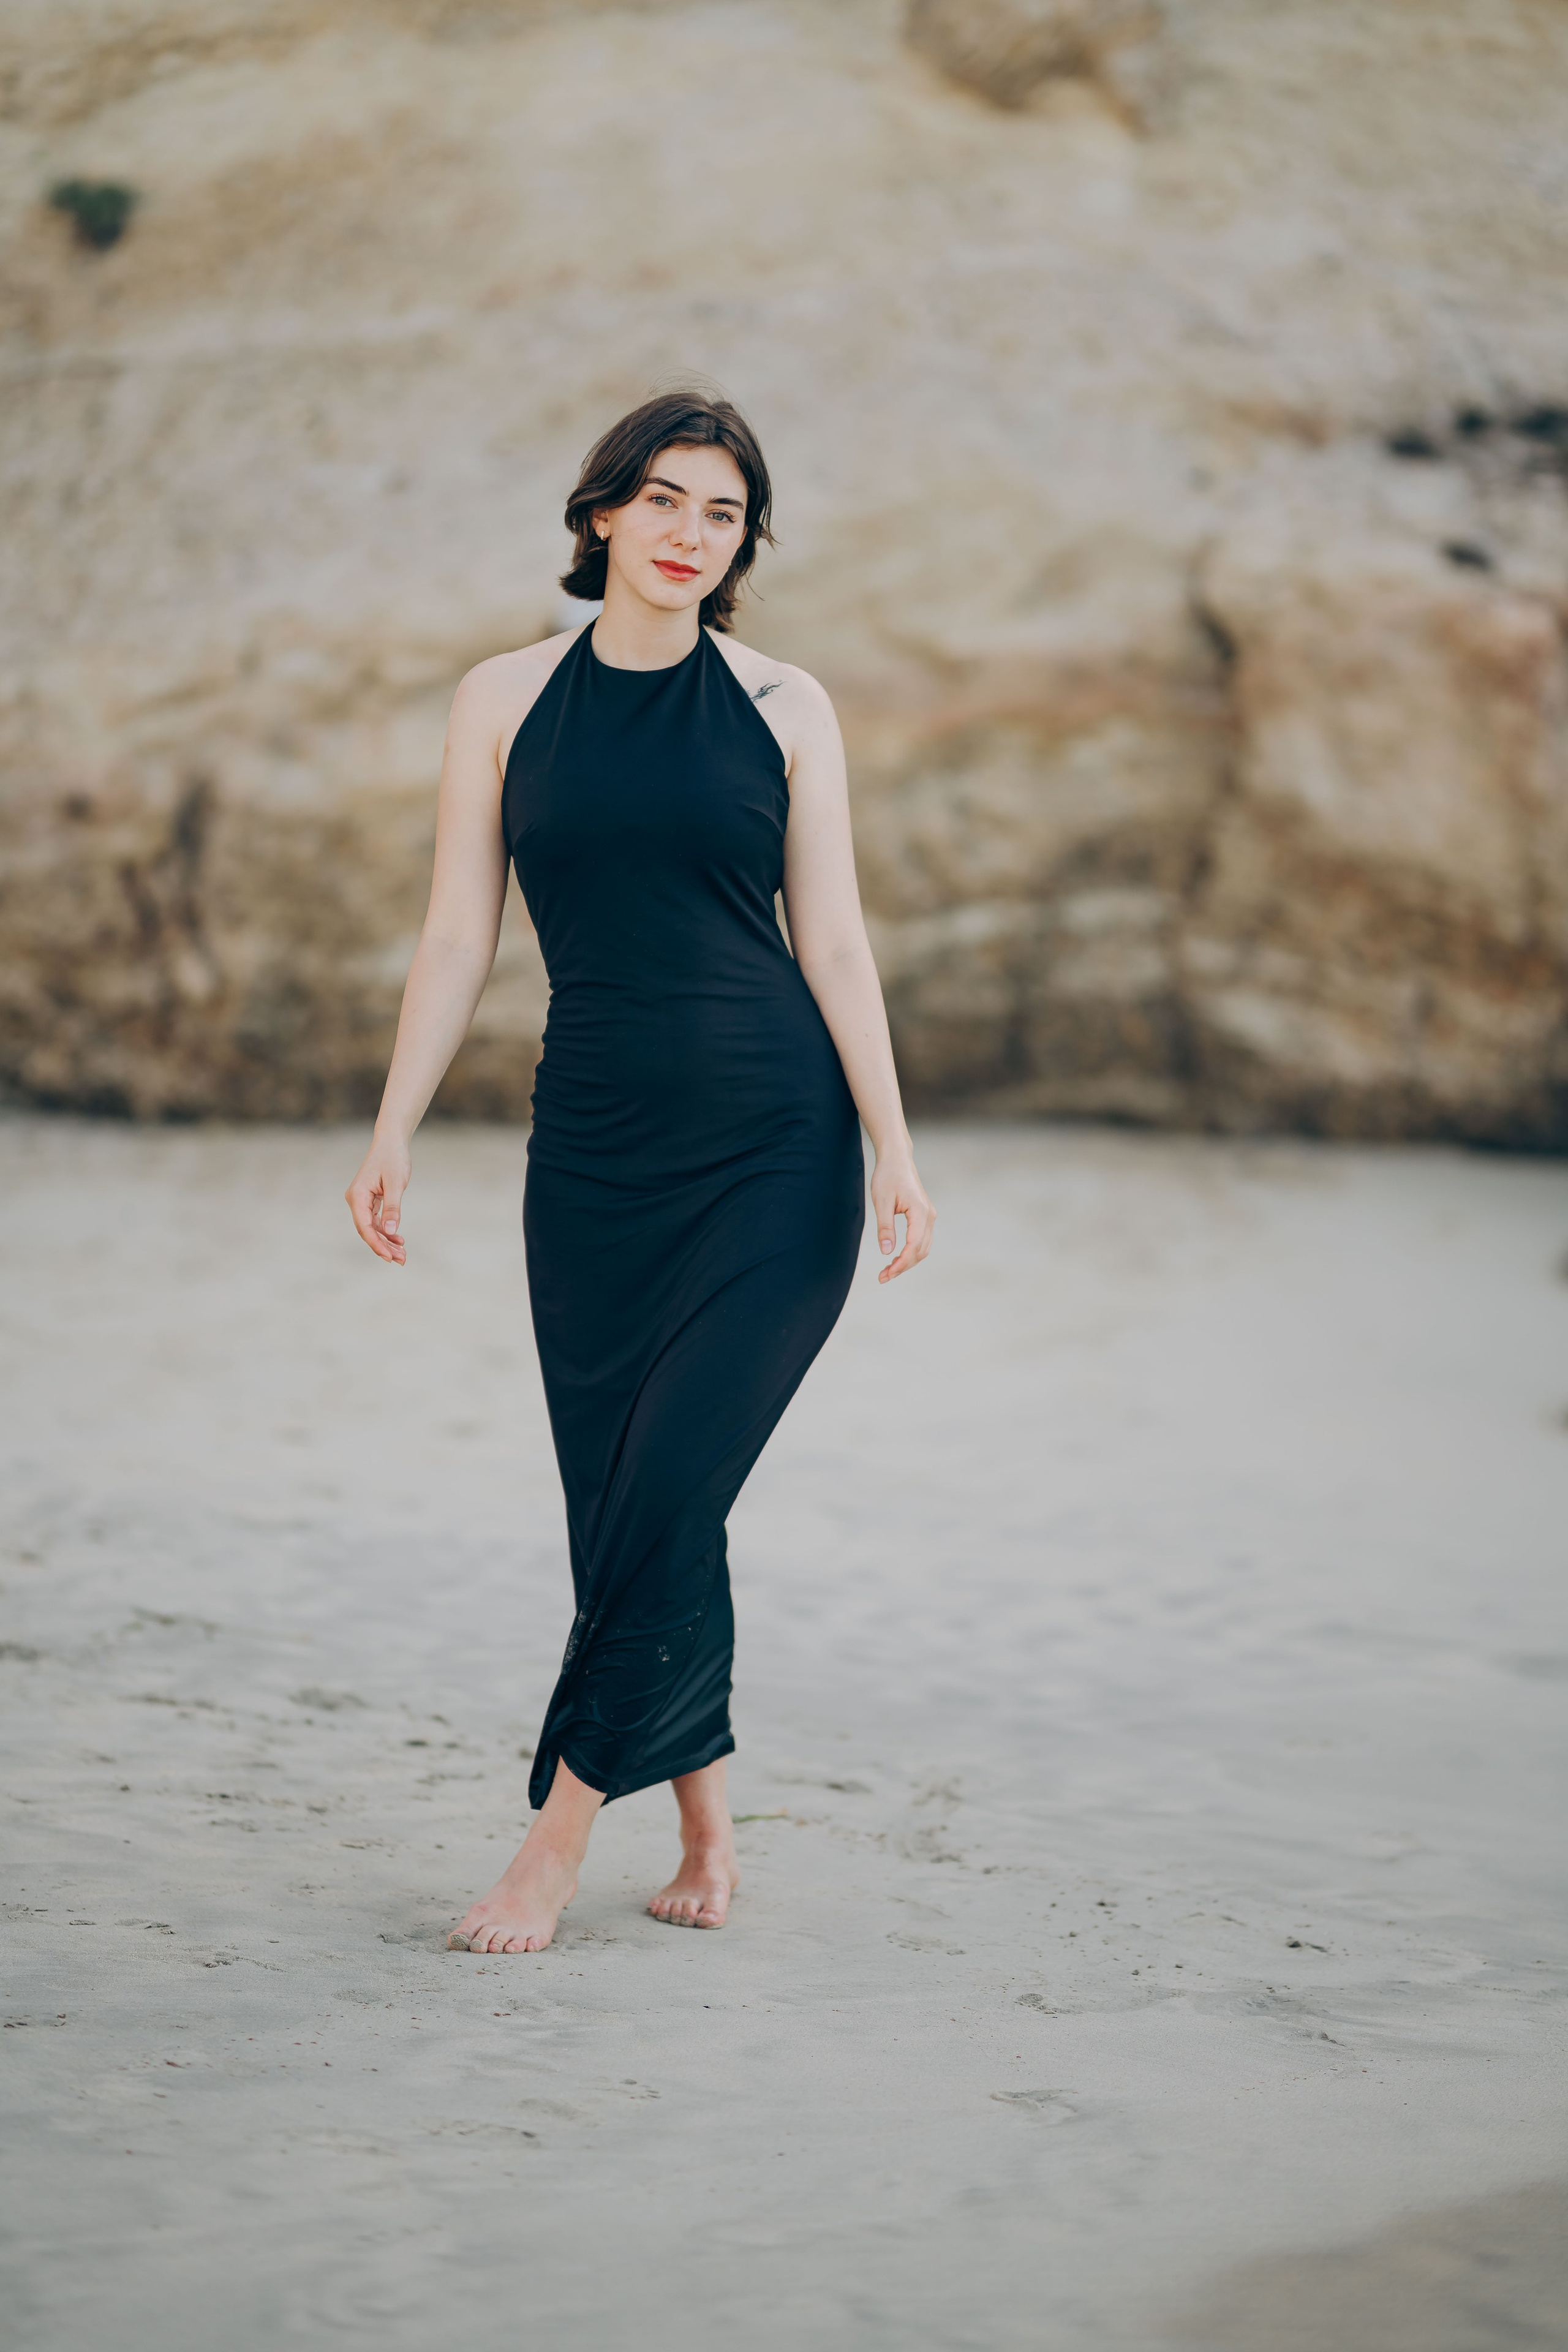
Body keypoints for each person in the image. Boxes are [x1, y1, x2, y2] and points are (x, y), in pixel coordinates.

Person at [345, 390, 934, 1953]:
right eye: (664, 502)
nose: (690, 535)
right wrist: (394, 1121)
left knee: (671, 1484)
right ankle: (709, 1825)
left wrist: (892, 1140)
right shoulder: (503, 698)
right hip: (594, 1159)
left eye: (722, 514)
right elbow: (460, 931)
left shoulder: (786, 704)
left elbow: (836, 938)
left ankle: (551, 1843)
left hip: (775, 1149)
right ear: (602, 513)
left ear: (744, 542)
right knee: (628, 1508)